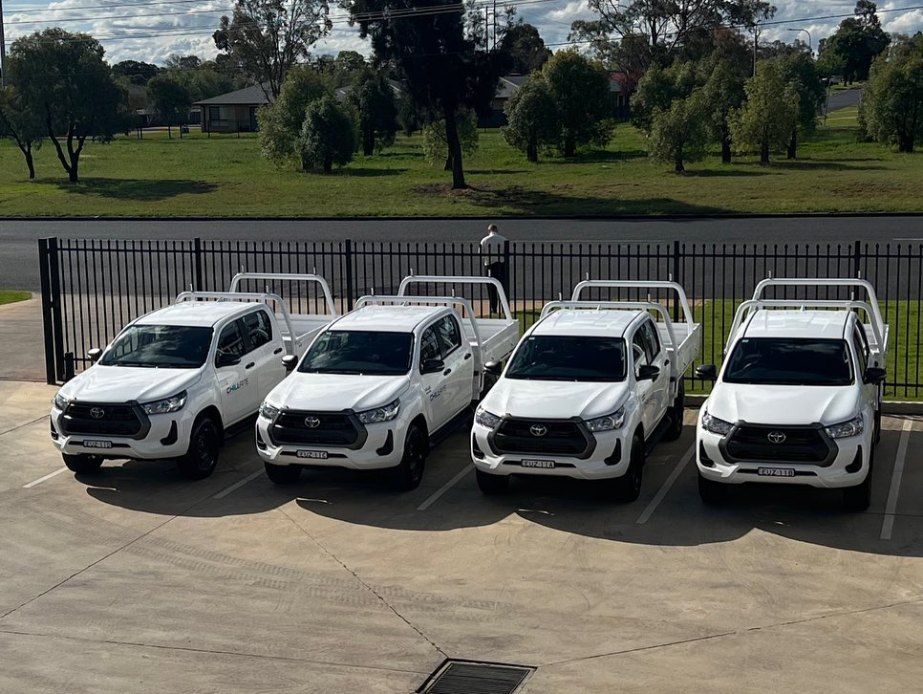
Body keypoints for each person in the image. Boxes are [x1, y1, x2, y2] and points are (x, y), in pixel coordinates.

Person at [480, 224, 508, 314]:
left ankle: (493, 308)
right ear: (497, 230)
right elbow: (506, 254)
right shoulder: (503, 239)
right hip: (501, 265)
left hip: (489, 265)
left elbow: (481, 254)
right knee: (503, 287)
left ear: (489, 231)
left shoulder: (484, 240)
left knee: (491, 288)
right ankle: (504, 307)